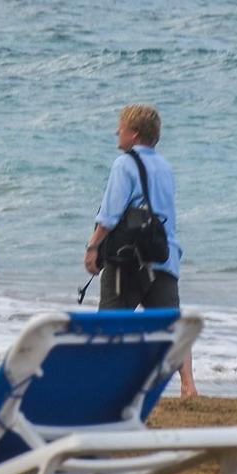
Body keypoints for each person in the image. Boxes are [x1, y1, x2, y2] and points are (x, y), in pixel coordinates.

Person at [84, 102, 198, 398]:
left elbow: (110, 214)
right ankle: (188, 385)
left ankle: (103, 385)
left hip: (129, 258)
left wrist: (93, 246)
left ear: (133, 134)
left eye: (120, 127)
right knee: (171, 323)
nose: (116, 132)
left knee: (110, 322)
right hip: (164, 254)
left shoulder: (124, 164)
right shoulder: (165, 166)